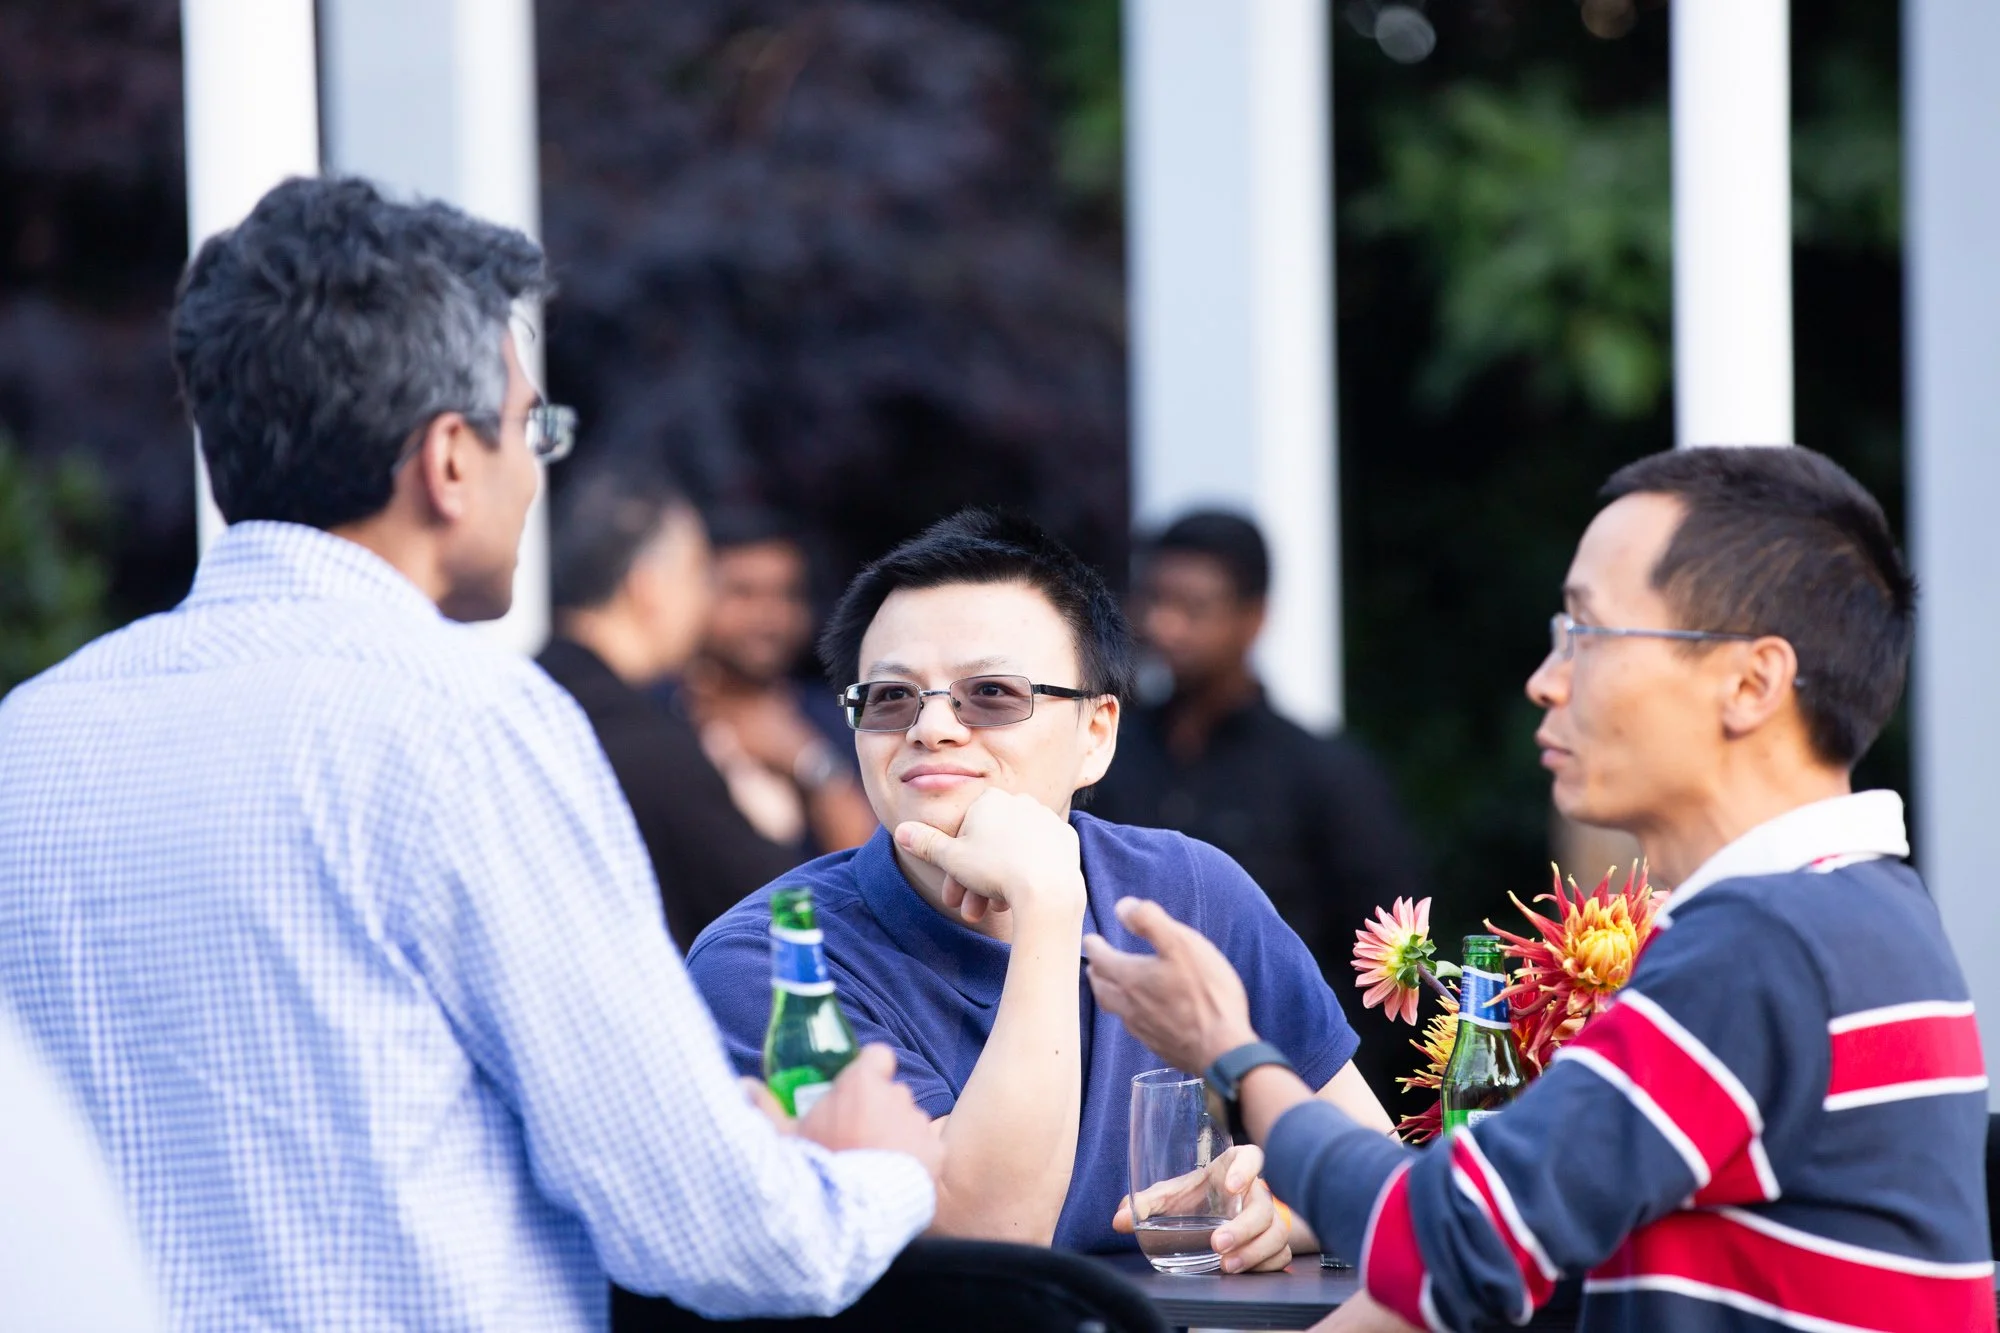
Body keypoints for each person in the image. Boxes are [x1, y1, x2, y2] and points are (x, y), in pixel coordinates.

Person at [0, 176, 940, 1330]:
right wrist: (874, 1168)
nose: (538, 470)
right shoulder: (465, 722)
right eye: (532, 428)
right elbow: (723, 1236)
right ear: (449, 460)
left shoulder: (31, 737)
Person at [1084, 447, 1994, 1331]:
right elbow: (1522, 1239)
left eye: (1587, 633)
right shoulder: (1862, 913)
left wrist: (1237, 1055)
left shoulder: (1766, 941)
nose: (1545, 680)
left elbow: (1456, 1237)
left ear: (1752, 681)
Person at [685, 508, 1393, 1271]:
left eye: (989, 692)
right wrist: (1050, 910)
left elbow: (1383, 1180)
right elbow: (986, 1244)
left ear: (1097, 734)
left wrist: (1275, 1214)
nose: (931, 727)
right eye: (889, 698)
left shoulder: (1185, 893)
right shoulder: (772, 960)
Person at [1090, 510, 1424, 1091]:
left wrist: (1308, 1097)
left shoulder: (1324, 773)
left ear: (1254, 617)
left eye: (1195, 608)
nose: (1166, 625)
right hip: (1122, 1082)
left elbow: (1393, 959)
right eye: (1156, 600)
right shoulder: (1107, 752)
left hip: (1280, 1096)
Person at [538, 466, 814, 946]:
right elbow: (778, 913)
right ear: (648, 588)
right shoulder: (647, 744)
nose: (704, 600)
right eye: (696, 574)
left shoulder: (528, 696)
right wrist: (767, 826)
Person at [674, 508, 878, 855]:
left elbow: (866, 868)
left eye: (787, 594)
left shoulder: (840, 720)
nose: (770, 617)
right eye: (743, 593)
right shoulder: (655, 714)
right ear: (694, 595)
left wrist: (809, 761)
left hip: (795, 910)